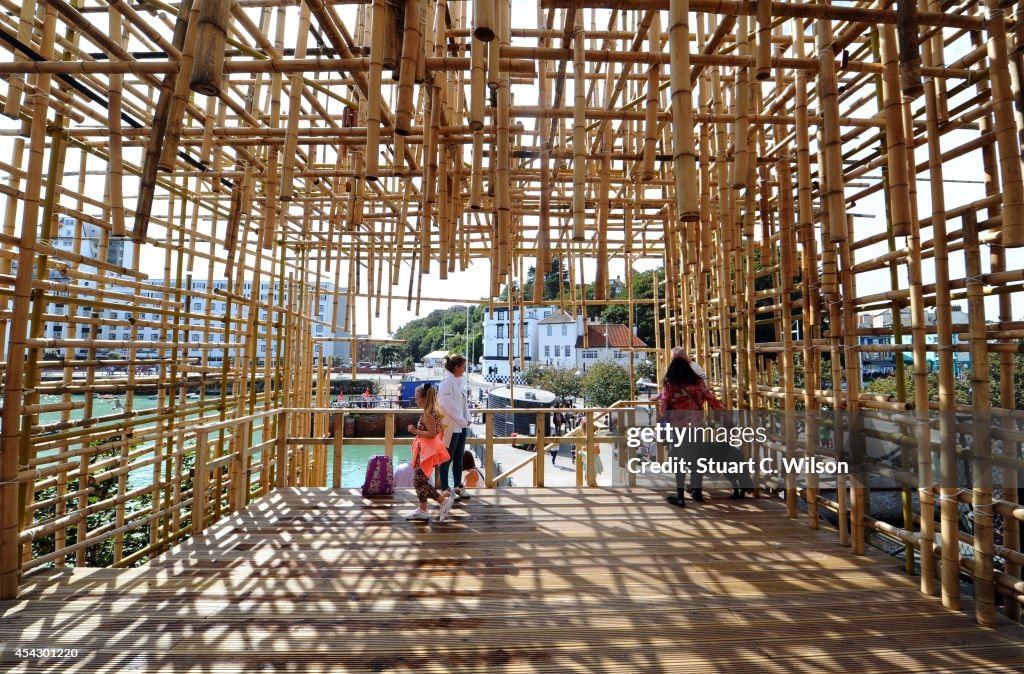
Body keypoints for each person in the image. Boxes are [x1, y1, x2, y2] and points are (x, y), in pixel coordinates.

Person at [659, 356, 726, 508]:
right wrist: (723, 415)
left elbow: (664, 407)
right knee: (697, 459)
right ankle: (697, 491)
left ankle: (680, 497)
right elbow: (712, 399)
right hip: (696, 425)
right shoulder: (698, 383)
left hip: (679, 428)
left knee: (679, 461)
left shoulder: (670, 384)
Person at [404, 384, 454, 522]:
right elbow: (438, 432)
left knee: (418, 480)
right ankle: (423, 509)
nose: (416, 401)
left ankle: (443, 501)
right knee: (420, 480)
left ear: (425, 398)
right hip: (427, 450)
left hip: (426, 452)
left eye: (417, 399)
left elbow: (432, 434)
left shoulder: (428, 414)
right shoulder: (433, 411)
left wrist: (414, 431)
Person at [437, 354, 473, 500]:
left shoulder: (457, 383)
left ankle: (458, 486)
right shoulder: (446, 383)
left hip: (460, 426)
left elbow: (462, 405)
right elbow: (448, 405)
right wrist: (462, 420)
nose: (465, 369)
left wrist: (467, 419)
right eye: (463, 366)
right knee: (447, 458)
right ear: (456, 367)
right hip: (452, 426)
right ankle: (445, 489)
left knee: (458, 458)